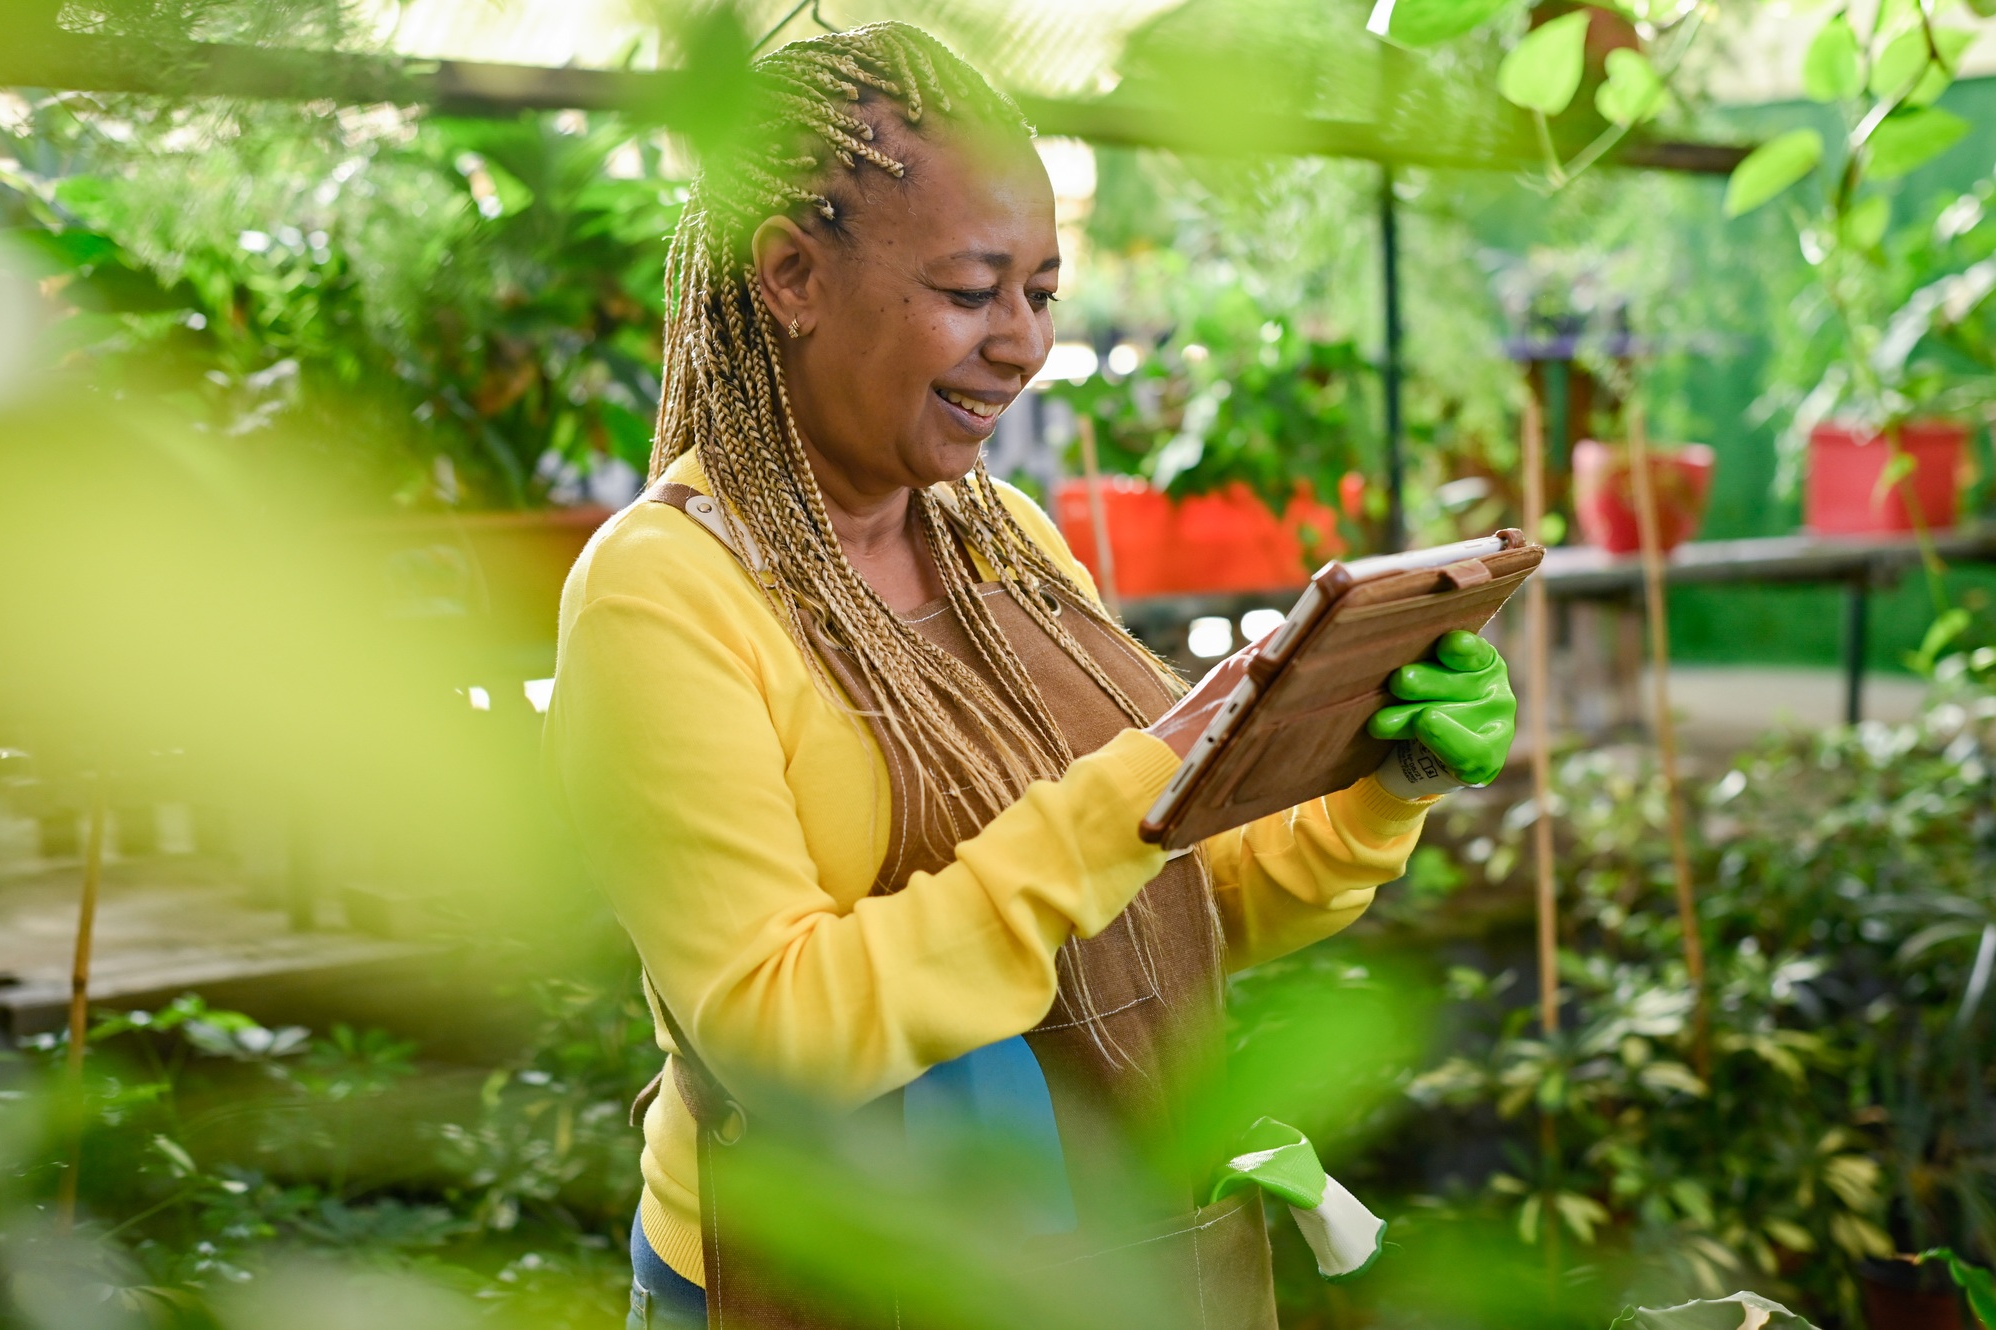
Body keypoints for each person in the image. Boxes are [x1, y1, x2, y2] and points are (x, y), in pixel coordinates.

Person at [543, 22, 1516, 1330]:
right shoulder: (663, 594)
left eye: (1042, 294)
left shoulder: (1011, 550)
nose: (1021, 343)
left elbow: (1170, 910)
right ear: (790, 272)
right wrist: (1127, 794)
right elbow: (781, 1033)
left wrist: (1370, 789)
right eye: (970, 288)